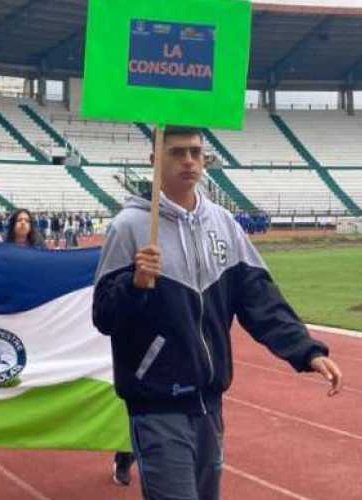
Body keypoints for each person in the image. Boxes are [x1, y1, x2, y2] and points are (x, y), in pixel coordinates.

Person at [92, 126, 343, 500]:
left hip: (209, 402)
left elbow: (260, 299)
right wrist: (136, 285)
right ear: (154, 161)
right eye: (177, 152)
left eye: (196, 152)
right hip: (156, 402)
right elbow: (104, 316)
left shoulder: (224, 223)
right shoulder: (129, 227)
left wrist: (306, 349)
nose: (189, 161)